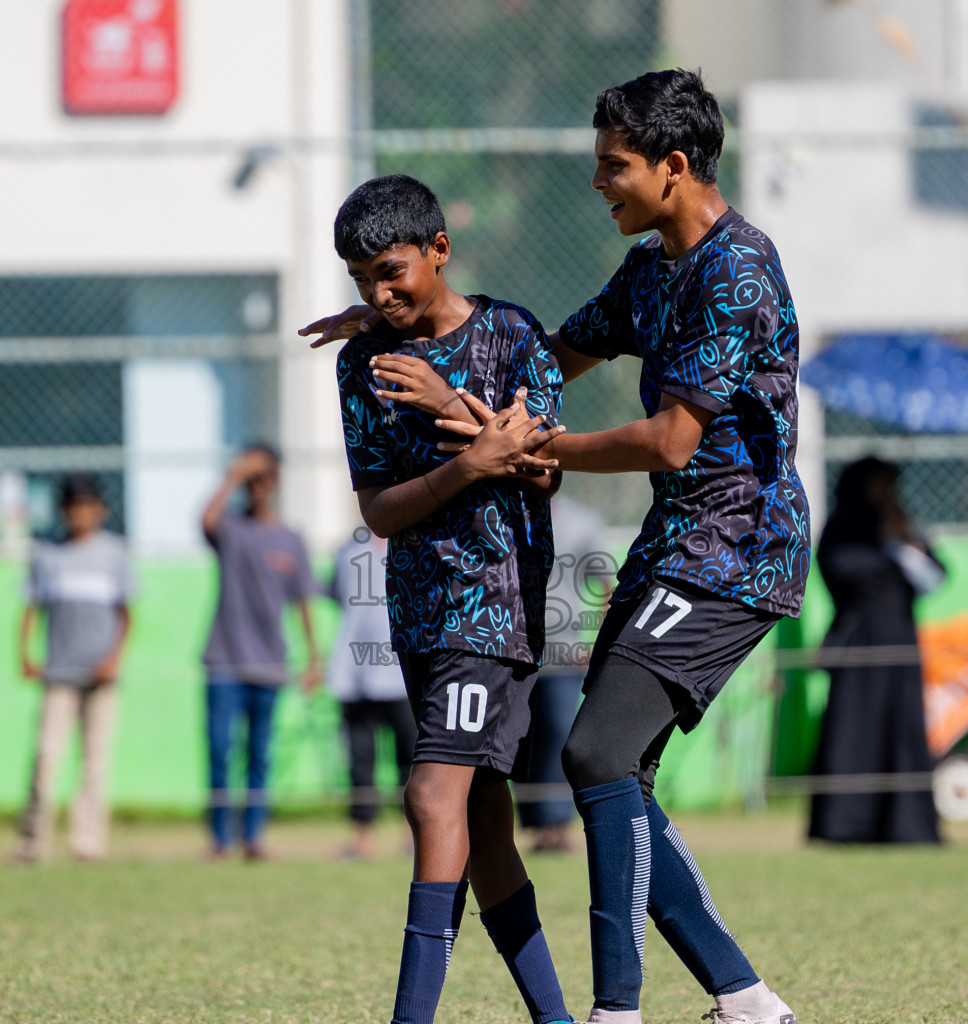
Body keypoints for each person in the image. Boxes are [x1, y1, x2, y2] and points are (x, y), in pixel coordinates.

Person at [304, 69, 807, 1024]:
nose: (597, 182)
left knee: (596, 754)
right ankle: (744, 1001)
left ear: (672, 165)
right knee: (611, 769)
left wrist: (529, 447)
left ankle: (615, 1012)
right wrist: (397, 313)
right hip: (675, 545)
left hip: (740, 549)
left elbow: (667, 440)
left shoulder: (736, 269)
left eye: (612, 165)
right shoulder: (654, 265)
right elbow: (547, 353)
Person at [331, 174, 573, 1024]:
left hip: (494, 609)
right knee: (485, 824)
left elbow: (542, 468)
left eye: (392, 270)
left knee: (431, 797)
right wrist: (465, 465)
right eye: (362, 280)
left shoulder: (509, 334)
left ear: (439, 250)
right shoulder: (362, 360)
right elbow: (379, 510)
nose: (379, 292)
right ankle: (557, 1018)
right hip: (420, 614)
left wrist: (459, 426)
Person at [809, 457, 943, 845]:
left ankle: (906, 827)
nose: (887, 494)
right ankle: (846, 826)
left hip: (901, 646)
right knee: (854, 732)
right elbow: (842, 570)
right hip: (858, 646)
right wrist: (885, 552)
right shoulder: (843, 526)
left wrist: (901, 544)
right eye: (879, 485)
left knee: (902, 730)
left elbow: (935, 575)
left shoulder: (901, 524)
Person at [200, 445, 318, 860]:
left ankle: (252, 836)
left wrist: (313, 658)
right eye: (252, 479)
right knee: (219, 750)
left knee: (259, 755)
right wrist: (233, 475)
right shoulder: (231, 529)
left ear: (277, 481)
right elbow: (205, 520)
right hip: (224, 661)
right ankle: (219, 838)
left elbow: (304, 603)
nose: (258, 486)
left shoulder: (290, 538)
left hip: (270, 664)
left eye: (264, 477)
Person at [15, 474, 135, 863]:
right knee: (46, 758)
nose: (81, 514)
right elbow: (31, 610)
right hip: (59, 674)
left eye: (88, 505)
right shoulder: (48, 555)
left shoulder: (114, 553)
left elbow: (126, 615)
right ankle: (33, 843)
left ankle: (88, 844)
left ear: (100, 509)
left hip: (102, 676)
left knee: (95, 764)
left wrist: (114, 659)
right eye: (73, 506)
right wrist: (26, 655)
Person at [516, 494, 613, 853]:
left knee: (560, 739)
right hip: (512, 654)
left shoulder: (581, 521)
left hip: (564, 653)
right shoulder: (507, 515)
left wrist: (597, 643)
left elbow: (606, 585)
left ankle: (557, 825)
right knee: (518, 743)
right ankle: (535, 825)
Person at [325, 527, 417, 859]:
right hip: (354, 675)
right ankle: (362, 839)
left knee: (411, 762)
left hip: (402, 675)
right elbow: (337, 596)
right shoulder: (346, 551)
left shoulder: (414, 544)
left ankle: (413, 837)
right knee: (360, 762)